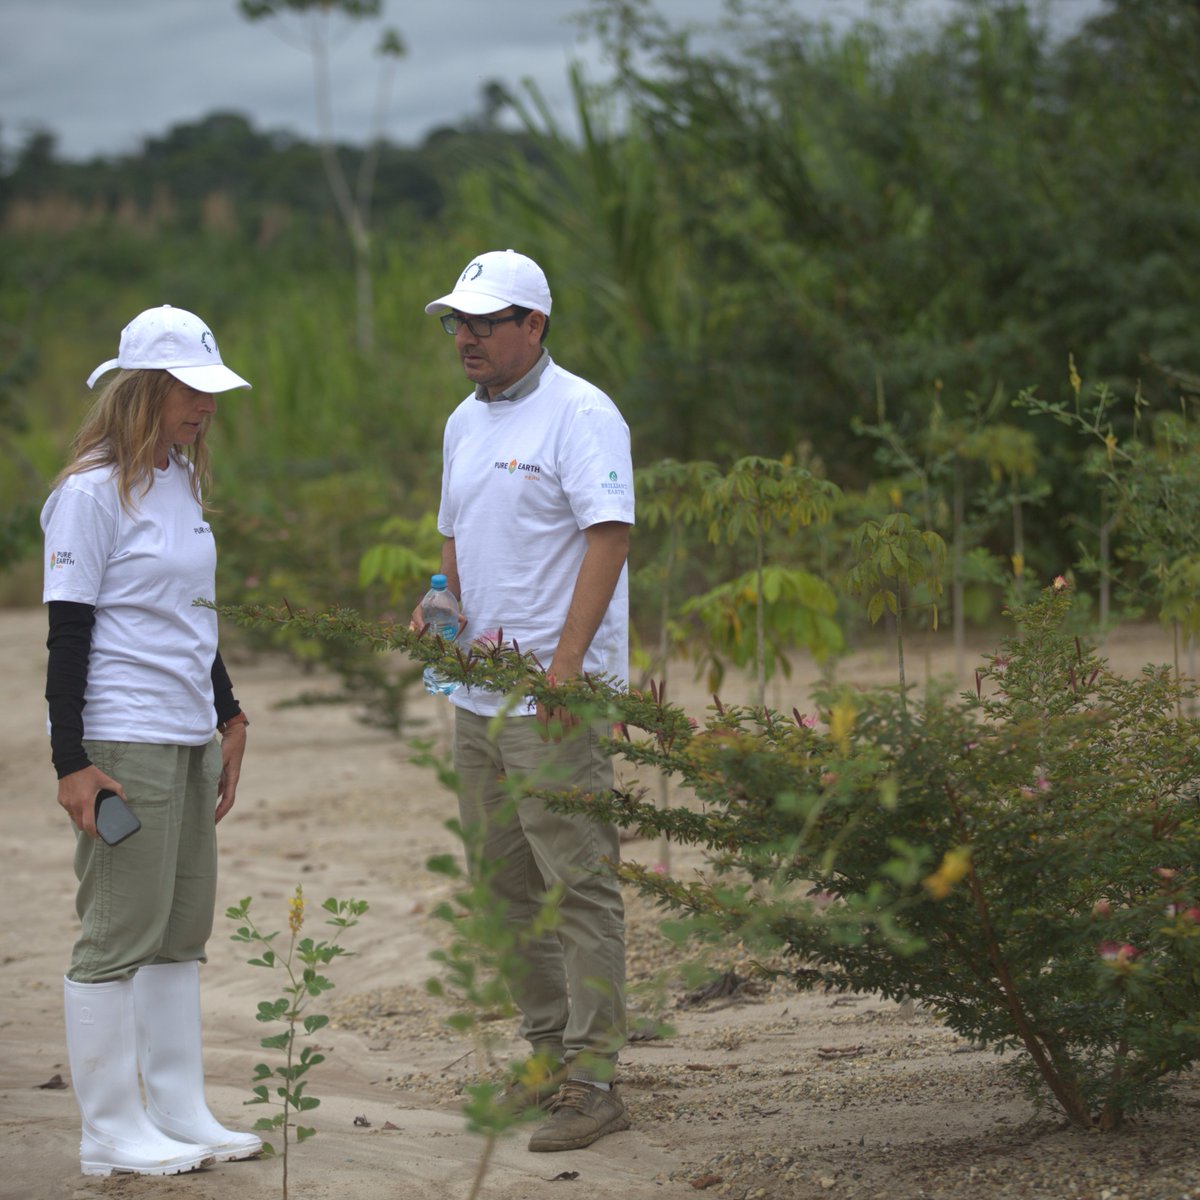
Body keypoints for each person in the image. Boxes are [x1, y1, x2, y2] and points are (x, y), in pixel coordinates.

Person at [421, 249, 635, 1152]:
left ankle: (595, 1077)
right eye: (456, 322)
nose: (465, 337)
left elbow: (610, 534)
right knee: (506, 881)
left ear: (534, 326)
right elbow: (457, 536)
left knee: (577, 879)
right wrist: (442, 605)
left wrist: (568, 669)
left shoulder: (581, 411)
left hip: (553, 696)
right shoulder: (462, 423)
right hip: (476, 693)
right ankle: (545, 1054)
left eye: (484, 321)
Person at [42, 304, 263, 1177]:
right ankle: (108, 1132)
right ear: (143, 388)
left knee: (180, 928)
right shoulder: (89, 496)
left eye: (212, 391)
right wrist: (72, 762)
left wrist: (229, 712)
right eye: (190, 389)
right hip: (121, 739)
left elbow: (192, 618)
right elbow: (67, 635)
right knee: (117, 931)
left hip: (185, 734)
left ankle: (176, 1110)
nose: (205, 406)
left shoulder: (179, 481)